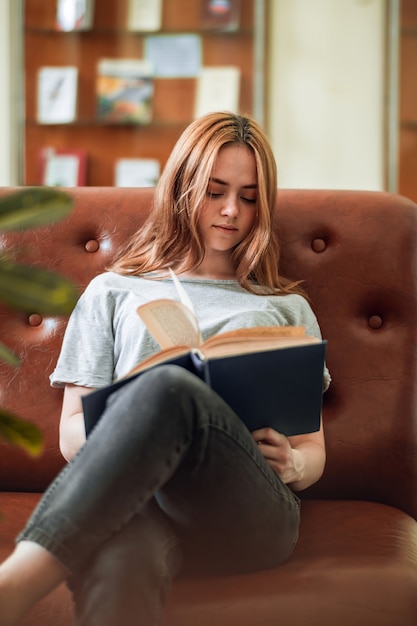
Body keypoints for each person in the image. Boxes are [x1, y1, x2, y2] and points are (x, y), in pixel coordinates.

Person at [0, 111, 330, 626]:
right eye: (214, 190)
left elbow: (313, 450)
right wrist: (142, 438)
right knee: (118, 557)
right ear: (182, 186)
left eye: (248, 197)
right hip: (143, 503)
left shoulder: (287, 308)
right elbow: (70, 434)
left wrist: (295, 464)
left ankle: (16, 583)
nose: (230, 211)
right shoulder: (113, 291)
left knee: (171, 386)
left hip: (246, 511)